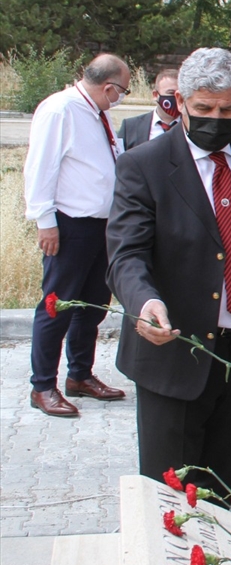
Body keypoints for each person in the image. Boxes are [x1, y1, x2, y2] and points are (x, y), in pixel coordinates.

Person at [107, 47, 231, 500]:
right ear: (180, 102)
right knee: (170, 495)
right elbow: (126, 254)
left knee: (220, 485)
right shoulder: (142, 166)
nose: (216, 119)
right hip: (176, 348)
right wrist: (143, 301)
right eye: (204, 109)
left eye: (228, 110)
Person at [24, 53, 131, 418]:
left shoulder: (98, 112)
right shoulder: (60, 110)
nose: (122, 97)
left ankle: (79, 375)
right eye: (123, 91)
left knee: (93, 304)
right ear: (109, 86)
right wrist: (44, 219)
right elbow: (41, 166)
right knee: (59, 305)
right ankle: (42, 386)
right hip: (71, 225)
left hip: (103, 225)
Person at [117, 69, 179, 150]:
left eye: (180, 94)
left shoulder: (191, 126)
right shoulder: (130, 127)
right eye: (171, 93)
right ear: (155, 95)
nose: (177, 98)